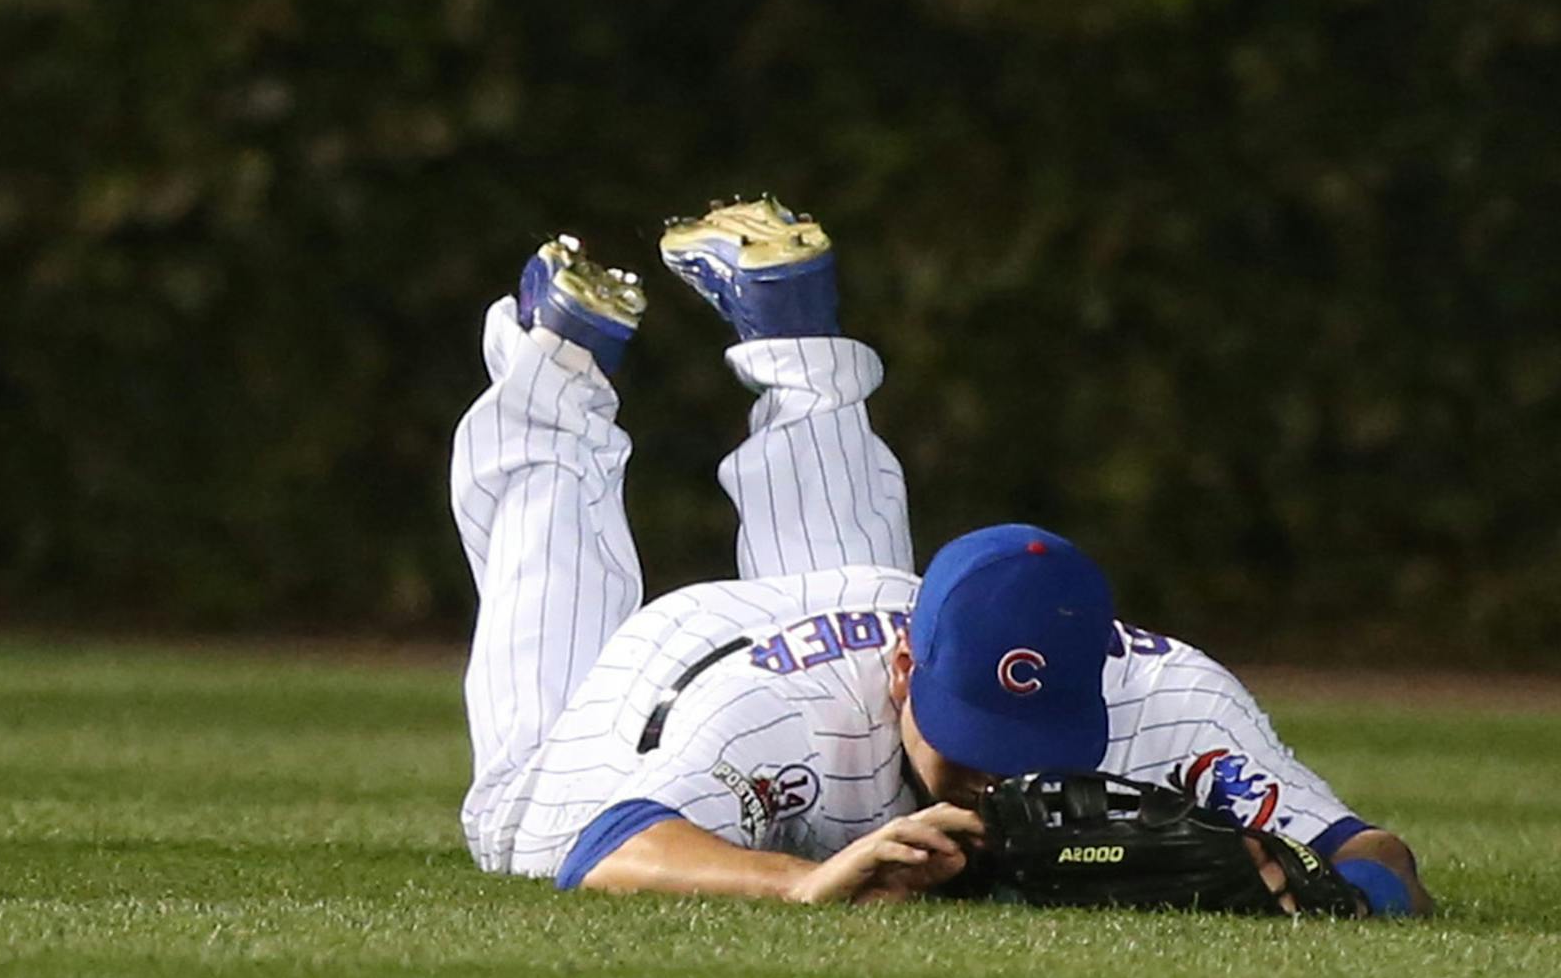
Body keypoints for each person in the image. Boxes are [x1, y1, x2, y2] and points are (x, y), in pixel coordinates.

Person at [448, 197, 1431, 915]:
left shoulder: (1172, 702)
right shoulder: (772, 712)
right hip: (686, 667)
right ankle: (559, 369)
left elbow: (1378, 852)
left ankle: (794, 330)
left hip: (875, 605)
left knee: (880, 657)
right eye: (972, 743)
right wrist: (804, 881)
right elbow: (606, 845)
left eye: (1028, 738)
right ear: (906, 670)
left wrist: (1326, 895)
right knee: (512, 819)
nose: (990, 783)